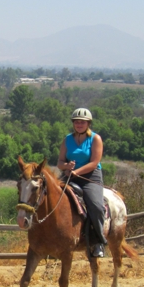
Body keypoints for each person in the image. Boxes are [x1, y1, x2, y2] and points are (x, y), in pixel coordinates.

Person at [57, 108, 107, 257]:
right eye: (77, 122)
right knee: (49, 197)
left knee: (96, 206)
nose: (79, 124)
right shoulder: (67, 139)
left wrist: (76, 172)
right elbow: (60, 162)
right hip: (69, 175)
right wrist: (66, 167)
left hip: (90, 177)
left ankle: (98, 241)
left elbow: (94, 162)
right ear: (73, 123)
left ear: (88, 124)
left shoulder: (95, 139)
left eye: (82, 122)